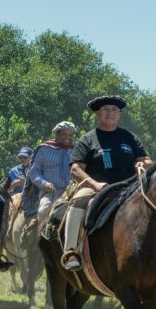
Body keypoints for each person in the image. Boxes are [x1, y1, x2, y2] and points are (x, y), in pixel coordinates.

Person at [62, 95, 151, 271]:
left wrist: (142, 163)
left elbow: (146, 159)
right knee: (78, 201)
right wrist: (94, 184)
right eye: (105, 109)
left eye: (114, 110)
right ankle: (71, 251)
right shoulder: (87, 139)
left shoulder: (129, 137)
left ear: (120, 114)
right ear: (97, 114)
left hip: (131, 187)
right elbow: (75, 169)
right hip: (96, 188)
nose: (110, 113)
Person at [27, 121, 76, 228]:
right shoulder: (44, 149)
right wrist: (44, 184)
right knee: (43, 211)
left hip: (72, 191)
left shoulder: (76, 150)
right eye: (64, 134)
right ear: (57, 134)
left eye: (70, 134)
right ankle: (37, 241)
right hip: (51, 191)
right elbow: (34, 172)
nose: (67, 137)